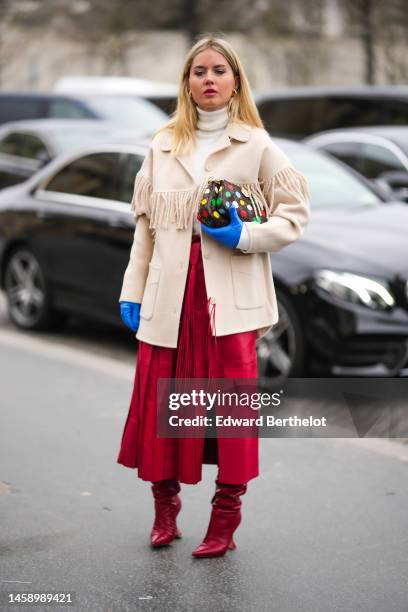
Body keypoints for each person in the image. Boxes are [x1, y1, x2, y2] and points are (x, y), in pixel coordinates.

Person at [116, 34, 310, 558]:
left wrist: (245, 236)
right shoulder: (161, 145)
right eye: (198, 70)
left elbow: (294, 216)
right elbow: (146, 231)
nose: (208, 79)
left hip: (230, 300)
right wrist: (133, 290)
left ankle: (225, 520)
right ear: (186, 82)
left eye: (219, 70)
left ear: (235, 80)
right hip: (169, 298)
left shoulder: (258, 145)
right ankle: (165, 510)